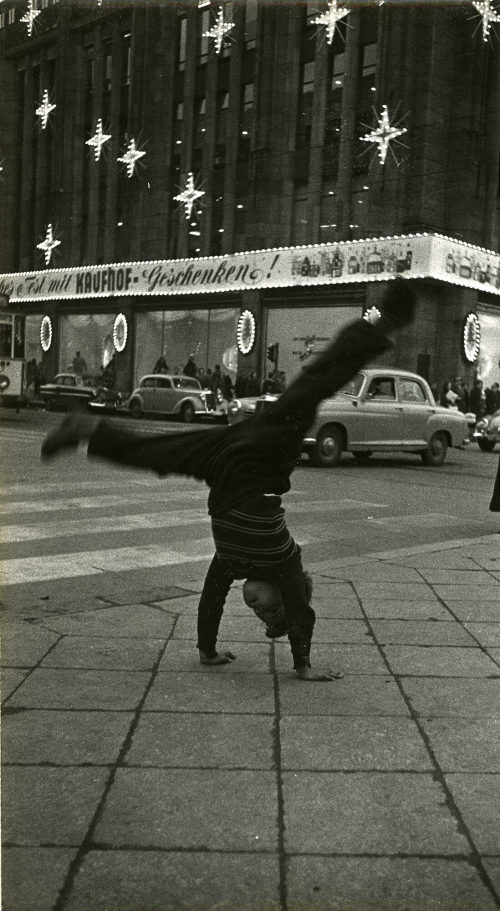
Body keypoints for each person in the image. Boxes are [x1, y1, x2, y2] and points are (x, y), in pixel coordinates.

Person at [40, 277, 417, 681]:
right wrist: (303, 665)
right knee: (312, 387)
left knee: (162, 455)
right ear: (284, 589)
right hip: (266, 457)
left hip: (227, 460)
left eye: (262, 616)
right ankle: (383, 325)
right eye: (273, 608)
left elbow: (211, 601)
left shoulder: (230, 562)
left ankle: (87, 428)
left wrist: (207, 649)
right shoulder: (284, 558)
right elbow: (301, 612)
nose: (259, 608)